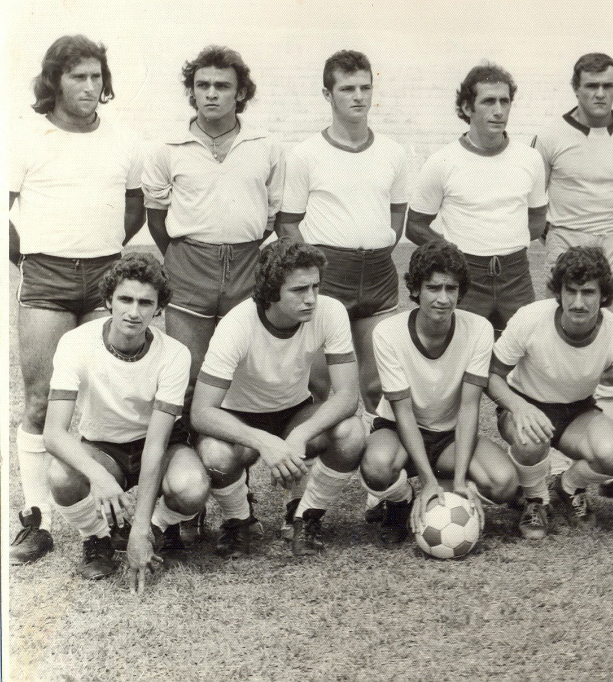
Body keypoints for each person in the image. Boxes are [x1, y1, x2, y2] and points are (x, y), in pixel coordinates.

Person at [9, 35, 146, 565]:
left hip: (104, 278)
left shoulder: (124, 140)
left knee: (97, 400)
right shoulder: (27, 137)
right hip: (45, 277)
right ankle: (37, 519)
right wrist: (33, 253)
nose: (89, 87)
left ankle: (102, 512)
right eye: (77, 77)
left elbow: (134, 206)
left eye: (96, 77)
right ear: (54, 82)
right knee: (42, 399)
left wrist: (104, 250)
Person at [191, 240, 365, 558]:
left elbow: (348, 395)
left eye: (315, 286)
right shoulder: (236, 325)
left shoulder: (331, 311)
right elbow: (202, 412)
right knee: (215, 454)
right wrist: (263, 442)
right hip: (239, 415)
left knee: (352, 433)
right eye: (299, 290)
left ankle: (305, 517)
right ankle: (239, 521)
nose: (311, 298)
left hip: (294, 412)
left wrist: (299, 434)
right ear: (272, 291)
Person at [44, 254, 209, 590]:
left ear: (159, 308)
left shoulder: (175, 353)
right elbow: (53, 434)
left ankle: (160, 528)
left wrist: (141, 528)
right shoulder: (76, 343)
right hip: (103, 446)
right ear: (108, 301)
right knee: (60, 475)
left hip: (158, 446)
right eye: (125, 299)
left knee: (192, 486)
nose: (134, 312)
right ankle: (97, 538)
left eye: (146, 302)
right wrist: (99, 476)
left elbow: (155, 445)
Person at [142, 45, 284, 423]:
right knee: (188, 373)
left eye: (222, 85)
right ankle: (191, 466)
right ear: (192, 91)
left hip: (246, 267)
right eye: (202, 84)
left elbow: (272, 211)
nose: (211, 93)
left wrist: (242, 245)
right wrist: (183, 254)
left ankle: (236, 476)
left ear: (240, 93)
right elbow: (156, 218)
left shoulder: (265, 146)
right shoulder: (168, 147)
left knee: (242, 373)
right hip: (189, 266)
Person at [487, 246, 613, 549]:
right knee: (531, 439)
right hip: (525, 403)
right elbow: (491, 375)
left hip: (577, 411)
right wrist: (518, 406)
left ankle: (568, 487)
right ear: (558, 292)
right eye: (571, 291)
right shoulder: (530, 318)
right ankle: (535, 499)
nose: (578, 302)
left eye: (588, 292)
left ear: (603, 295)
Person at [360, 242, 518, 545]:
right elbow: (403, 412)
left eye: (451, 288)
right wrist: (427, 482)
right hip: (398, 430)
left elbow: (470, 406)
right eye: (433, 288)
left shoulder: (479, 329)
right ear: (416, 290)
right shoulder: (388, 332)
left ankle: (448, 484)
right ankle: (402, 500)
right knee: (376, 467)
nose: (443, 298)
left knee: (504, 483)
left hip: (449, 436)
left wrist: (460, 482)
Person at [279, 49, 407, 413]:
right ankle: (322, 468)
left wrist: (375, 243)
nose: (359, 97)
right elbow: (287, 221)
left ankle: (378, 466)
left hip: (379, 276)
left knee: (377, 384)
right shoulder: (306, 154)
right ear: (327, 94)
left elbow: (397, 214)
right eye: (348, 88)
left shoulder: (393, 153)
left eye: (365, 88)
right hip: (329, 274)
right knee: (321, 384)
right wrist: (315, 270)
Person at [407, 62, 547, 335]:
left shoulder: (529, 159)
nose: (498, 111)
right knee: (463, 354)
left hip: (516, 274)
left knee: (524, 354)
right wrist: (454, 253)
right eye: (488, 102)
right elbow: (415, 225)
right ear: (467, 108)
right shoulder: (442, 161)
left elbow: (537, 222)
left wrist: (504, 241)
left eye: (504, 102)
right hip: (466, 275)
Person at [532, 52, 613, 326]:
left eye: (607, 86)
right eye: (591, 86)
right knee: (554, 337)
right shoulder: (549, 136)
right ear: (576, 88)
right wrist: (557, 234)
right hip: (563, 241)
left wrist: (612, 229)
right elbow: (532, 200)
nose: (600, 94)